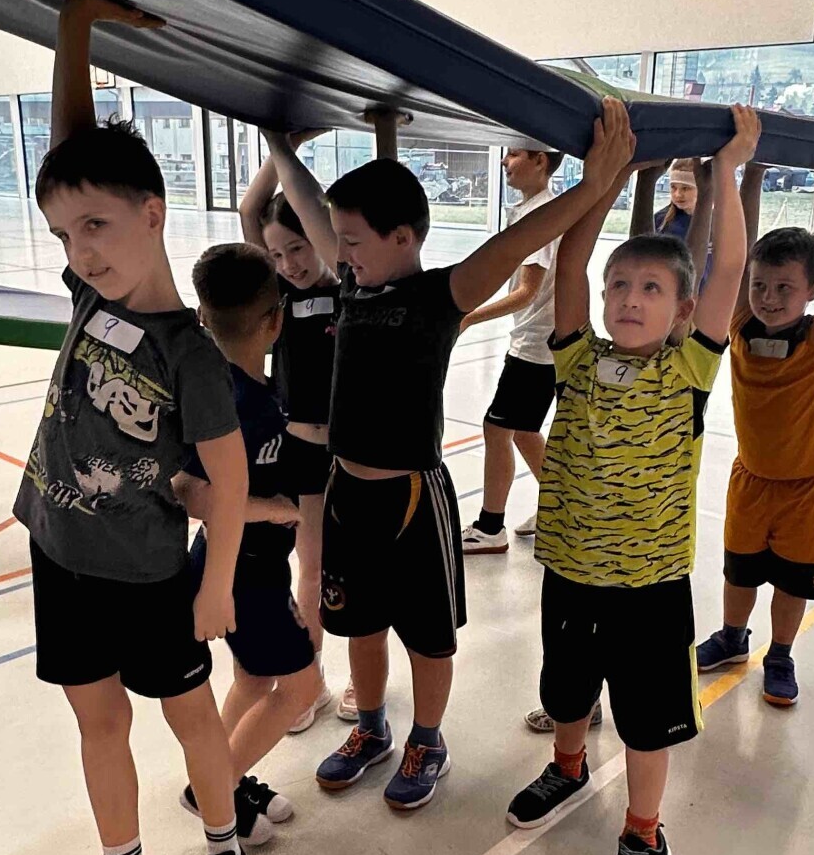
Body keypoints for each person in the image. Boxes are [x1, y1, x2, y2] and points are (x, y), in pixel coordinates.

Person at [263, 101, 635, 814]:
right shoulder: (353, 282)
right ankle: (372, 727)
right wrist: (279, 142)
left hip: (411, 498)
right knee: (360, 626)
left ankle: (426, 741)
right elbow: (307, 201)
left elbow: (519, 239)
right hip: (346, 493)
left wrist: (596, 184)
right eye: (340, 240)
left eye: (352, 240)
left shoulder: (442, 295)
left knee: (429, 638)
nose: (340, 252)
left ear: (403, 237)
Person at [13, 0, 258, 855]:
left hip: (153, 574)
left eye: (99, 228)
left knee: (190, 717)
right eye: (66, 235)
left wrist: (216, 582)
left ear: (154, 215)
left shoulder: (190, 353)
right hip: (61, 553)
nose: (82, 250)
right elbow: (74, 158)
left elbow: (228, 479)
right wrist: (73, 32)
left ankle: (226, 853)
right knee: (98, 719)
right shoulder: (89, 288)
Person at [505, 109, 760, 855]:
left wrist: (728, 171)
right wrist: (603, 177)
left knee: (646, 723)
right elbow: (572, 263)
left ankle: (644, 834)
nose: (629, 298)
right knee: (566, 690)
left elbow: (728, 268)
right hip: (571, 572)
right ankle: (568, 766)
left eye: (651, 289)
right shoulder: (578, 358)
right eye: (620, 286)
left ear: (682, 310)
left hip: (649, 587)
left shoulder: (689, 368)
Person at [695, 168, 814, 706]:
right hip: (750, 480)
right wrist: (751, 174)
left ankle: (780, 654)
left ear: (812, 291)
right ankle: (732, 637)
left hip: (807, 487)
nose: (768, 298)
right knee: (739, 571)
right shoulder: (739, 323)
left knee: (794, 581)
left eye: (784, 288)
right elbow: (738, 244)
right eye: (760, 286)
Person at [176, 242, 321, 838]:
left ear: (203, 316)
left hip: (247, 564)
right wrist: (271, 508)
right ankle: (217, 790)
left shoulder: (250, 385)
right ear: (275, 320)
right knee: (303, 687)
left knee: (255, 680)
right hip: (241, 571)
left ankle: (214, 782)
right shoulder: (230, 400)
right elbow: (189, 492)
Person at [238, 147, 339, 732]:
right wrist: (282, 145)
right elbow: (250, 210)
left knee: (344, 568)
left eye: (298, 248)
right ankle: (311, 678)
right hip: (296, 454)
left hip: (344, 453)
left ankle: (351, 676)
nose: (289, 263)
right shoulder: (279, 294)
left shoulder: (349, 287)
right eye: (277, 254)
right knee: (310, 564)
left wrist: (286, 152)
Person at [459, 143, 565, 555]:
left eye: (515, 154)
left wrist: (469, 317)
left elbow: (526, 291)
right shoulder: (532, 210)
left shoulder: (542, 214)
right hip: (535, 339)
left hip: (537, 345)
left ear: (541, 160)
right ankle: (560, 509)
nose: (505, 161)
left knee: (497, 427)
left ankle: (490, 527)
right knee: (523, 431)